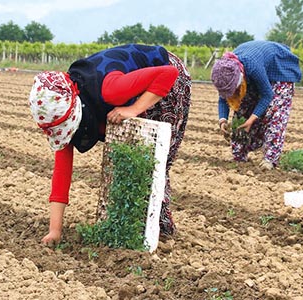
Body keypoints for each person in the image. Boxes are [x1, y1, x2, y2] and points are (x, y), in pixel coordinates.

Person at [27, 44, 192, 244]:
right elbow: (62, 173)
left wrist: (134, 109)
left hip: (168, 77)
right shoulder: (71, 105)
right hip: (132, 84)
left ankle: (159, 231)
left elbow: (168, 74)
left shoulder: (111, 91)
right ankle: (126, 228)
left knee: (154, 159)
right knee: (125, 156)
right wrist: (55, 231)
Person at [211, 41, 302, 169]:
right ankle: (239, 154)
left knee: (275, 112)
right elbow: (223, 98)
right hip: (258, 69)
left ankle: (270, 159)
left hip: (280, 71)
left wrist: (252, 120)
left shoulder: (252, 66)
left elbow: (267, 95)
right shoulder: (224, 71)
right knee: (243, 108)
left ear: (240, 79)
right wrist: (222, 120)